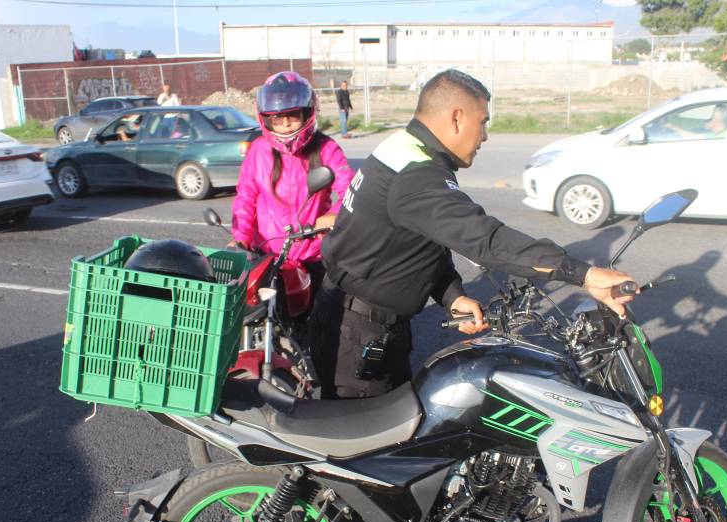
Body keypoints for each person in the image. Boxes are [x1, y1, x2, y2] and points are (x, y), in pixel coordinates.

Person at [309, 69, 635, 399]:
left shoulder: (404, 147)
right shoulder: (415, 173)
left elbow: (421, 242)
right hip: (359, 336)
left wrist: (451, 295)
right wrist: (584, 274)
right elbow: (486, 240)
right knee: (373, 445)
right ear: (456, 118)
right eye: (483, 122)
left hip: (366, 323)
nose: (485, 137)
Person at [230, 71, 355, 292]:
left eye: (293, 115)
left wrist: (333, 215)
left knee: (327, 317)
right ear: (268, 119)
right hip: (266, 254)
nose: (286, 124)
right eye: (278, 118)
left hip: (312, 253)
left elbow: (351, 191)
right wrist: (240, 239)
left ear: (307, 113)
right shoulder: (259, 151)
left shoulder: (326, 148)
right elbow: (245, 198)